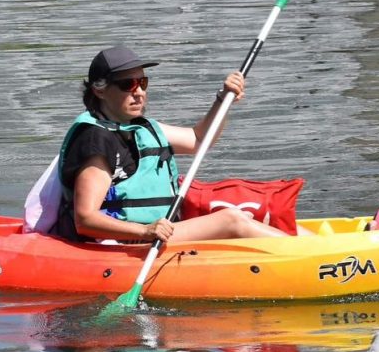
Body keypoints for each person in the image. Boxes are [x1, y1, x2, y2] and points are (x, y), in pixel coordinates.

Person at [53, 45, 289, 244]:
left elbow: (199, 140)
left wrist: (223, 100)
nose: (139, 92)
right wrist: (145, 231)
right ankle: (307, 257)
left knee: (256, 215)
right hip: (124, 242)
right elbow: (85, 219)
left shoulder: (141, 127)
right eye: (127, 85)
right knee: (232, 219)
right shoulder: (95, 138)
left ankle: (304, 247)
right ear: (100, 90)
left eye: (142, 82)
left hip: (160, 232)